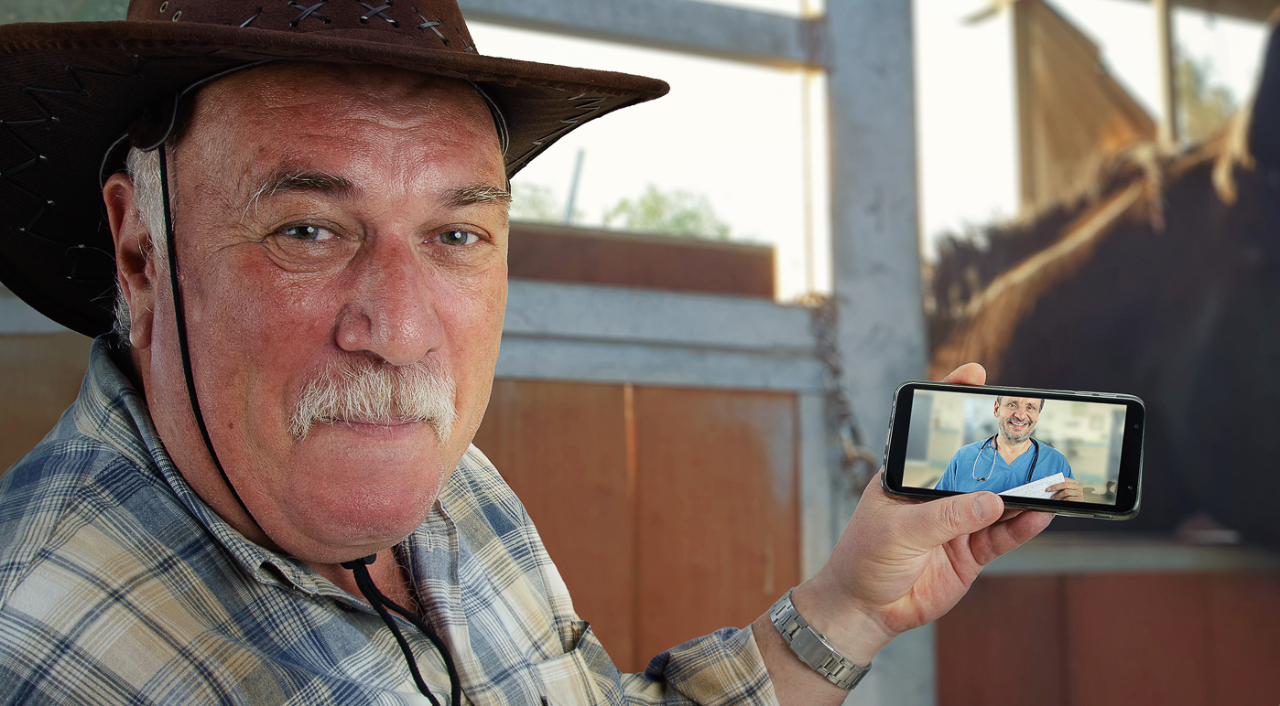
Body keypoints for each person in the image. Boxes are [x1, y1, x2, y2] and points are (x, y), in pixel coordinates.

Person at [0, 2, 1053, 704]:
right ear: (142, 253)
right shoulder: (42, 653)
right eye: (309, 231)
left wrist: (849, 606)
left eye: (456, 235)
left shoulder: (447, 481)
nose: (402, 331)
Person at [935, 396, 1084, 501]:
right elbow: (935, 505)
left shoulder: (1056, 460)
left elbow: (1067, 518)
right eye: (1012, 405)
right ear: (996, 409)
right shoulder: (964, 456)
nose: (1020, 415)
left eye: (1030, 407)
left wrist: (1078, 504)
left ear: (1038, 416)